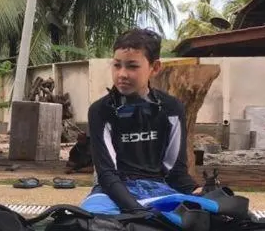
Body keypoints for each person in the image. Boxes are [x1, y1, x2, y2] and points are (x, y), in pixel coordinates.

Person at [81, 28, 202, 215]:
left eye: (132, 66)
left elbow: (176, 172)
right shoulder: (100, 111)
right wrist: (136, 211)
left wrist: (199, 193)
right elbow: (107, 174)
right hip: (111, 192)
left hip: (158, 190)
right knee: (92, 221)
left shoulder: (172, 109)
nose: (122, 74)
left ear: (155, 68)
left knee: (208, 214)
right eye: (117, 65)